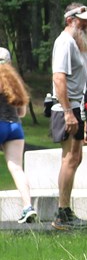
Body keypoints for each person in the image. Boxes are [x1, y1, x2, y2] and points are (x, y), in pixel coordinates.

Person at [50, 3, 87, 230]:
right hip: (67, 108)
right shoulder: (64, 42)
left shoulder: (79, 44)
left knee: (75, 159)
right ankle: (62, 213)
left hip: (77, 107)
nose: (86, 24)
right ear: (70, 20)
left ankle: (65, 211)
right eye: (82, 20)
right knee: (69, 159)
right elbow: (59, 78)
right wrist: (68, 112)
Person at [0, 47, 38, 223]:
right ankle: (27, 207)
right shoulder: (15, 81)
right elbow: (22, 111)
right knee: (16, 167)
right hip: (15, 127)